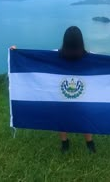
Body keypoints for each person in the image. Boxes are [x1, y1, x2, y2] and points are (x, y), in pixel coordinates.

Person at [10, 26, 96, 154]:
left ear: (65, 40)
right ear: (81, 41)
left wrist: (16, 52)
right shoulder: (90, 56)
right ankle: (89, 144)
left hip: (60, 95)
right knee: (85, 118)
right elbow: (108, 65)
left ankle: (65, 143)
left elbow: (36, 60)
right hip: (82, 96)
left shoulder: (55, 55)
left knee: (61, 118)